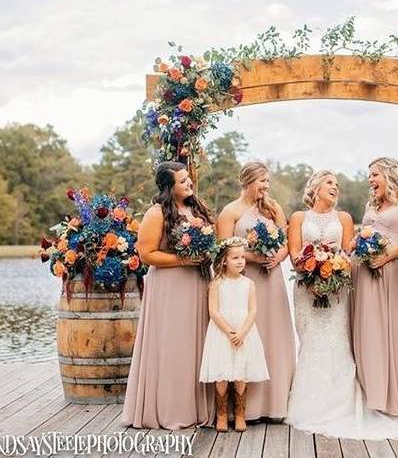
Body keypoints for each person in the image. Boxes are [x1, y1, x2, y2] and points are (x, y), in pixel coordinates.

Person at [286, 170, 398, 439]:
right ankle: (311, 401)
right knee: (313, 341)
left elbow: (348, 252)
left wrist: (335, 269)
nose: (335, 187)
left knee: (339, 340)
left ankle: (347, 403)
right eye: (329, 183)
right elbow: (295, 253)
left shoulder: (346, 217)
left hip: (342, 284)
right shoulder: (299, 217)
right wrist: (311, 272)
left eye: (337, 184)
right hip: (308, 286)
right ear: (315, 187)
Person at [122, 161, 215, 430]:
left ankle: (197, 407)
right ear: (168, 187)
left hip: (197, 282)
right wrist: (183, 260)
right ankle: (170, 408)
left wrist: (207, 253)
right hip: (170, 285)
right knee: (173, 344)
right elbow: (147, 254)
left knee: (194, 342)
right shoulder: (156, 213)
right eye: (183, 181)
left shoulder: (195, 209)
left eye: (188, 179)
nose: (189, 184)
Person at [216, 161, 295, 421]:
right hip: (244, 282)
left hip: (271, 280)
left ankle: (275, 405)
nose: (266, 187)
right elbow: (223, 251)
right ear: (248, 181)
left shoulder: (274, 208)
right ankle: (246, 408)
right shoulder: (230, 212)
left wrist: (278, 258)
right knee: (249, 336)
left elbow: (286, 243)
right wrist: (253, 257)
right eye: (262, 181)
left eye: (268, 182)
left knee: (274, 334)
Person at [351, 157, 398, 416]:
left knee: (397, 329)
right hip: (366, 273)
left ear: (389, 174)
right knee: (370, 331)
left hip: (394, 271)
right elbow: (364, 232)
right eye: (369, 175)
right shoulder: (372, 204)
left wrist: (387, 256)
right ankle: (373, 395)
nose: (371, 180)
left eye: (375, 174)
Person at [199, 238, 269, 432]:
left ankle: (240, 414)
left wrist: (242, 332)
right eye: (235, 258)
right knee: (221, 373)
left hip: (244, 333)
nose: (240, 261)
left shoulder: (249, 283)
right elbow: (213, 311)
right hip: (222, 333)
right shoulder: (217, 284)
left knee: (240, 372)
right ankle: (221, 414)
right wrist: (230, 332)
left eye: (242, 257)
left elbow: (253, 310)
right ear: (223, 261)